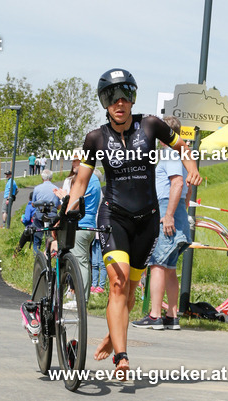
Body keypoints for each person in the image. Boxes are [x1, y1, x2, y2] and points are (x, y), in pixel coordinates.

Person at [65, 68, 201, 380]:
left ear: (132, 99)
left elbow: (183, 146)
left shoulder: (151, 125)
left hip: (148, 220)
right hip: (114, 217)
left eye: (125, 95)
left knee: (131, 290)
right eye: (112, 97)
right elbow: (80, 182)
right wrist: (70, 209)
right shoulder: (95, 139)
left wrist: (192, 167)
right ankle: (122, 356)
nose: (119, 102)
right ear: (104, 103)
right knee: (118, 282)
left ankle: (114, 334)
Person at [132, 116, 192, 331]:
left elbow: (176, 183)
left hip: (169, 211)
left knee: (157, 264)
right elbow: (187, 187)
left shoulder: (169, 154)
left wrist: (168, 215)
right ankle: (171, 315)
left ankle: (155, 315)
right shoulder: (181, 155)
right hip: (178, 212)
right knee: (169, 267)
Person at [57, 152, 102, 302]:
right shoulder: (94, 179)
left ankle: (80, 300)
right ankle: (79, 297)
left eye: (76, 161)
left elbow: (75, 203)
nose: (73, 164)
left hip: (80, 224)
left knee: (81, 263)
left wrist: (64, 198)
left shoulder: (85, 180)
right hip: (89, 225)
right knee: (84, 262)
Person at [28, 169, 61, 253]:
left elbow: (33, 204)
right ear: (51, 177)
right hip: (52, 216)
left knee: (37, 238)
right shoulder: (56, 189)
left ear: (42, 178)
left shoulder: (37, 188)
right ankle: (52, 255)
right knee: (52, 237)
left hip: (40, 216)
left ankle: (37, 257)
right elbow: (58, 206)